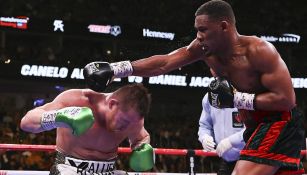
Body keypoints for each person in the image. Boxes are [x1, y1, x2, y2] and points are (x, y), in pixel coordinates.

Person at [83, 0, 305, 174]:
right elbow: (165, 62)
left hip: (278, 122)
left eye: (204, 29)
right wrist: (117, 69)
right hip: (253, 127)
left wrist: (237, 100)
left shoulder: (259, 51)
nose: (198, 35)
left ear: (224, 26)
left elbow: (286, 100)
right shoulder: (204, 49)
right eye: (197, 29)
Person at [20, 84, 155, 175]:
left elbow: (141, 137)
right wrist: (59, 117)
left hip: (108, 171)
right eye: (124, 121)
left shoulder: (133, 118)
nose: (126, 127)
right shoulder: (77, 100)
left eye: (131, 123)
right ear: (112, 104)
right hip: (69, 169)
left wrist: (142, 146)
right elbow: (26, 122)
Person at [198, 93, 245, 175]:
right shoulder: (209, 97)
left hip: (249, 157)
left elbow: (254, 127)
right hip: (226, 159)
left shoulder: (245, 94)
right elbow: (204, 125)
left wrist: (232, 141)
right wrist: (204, 137)